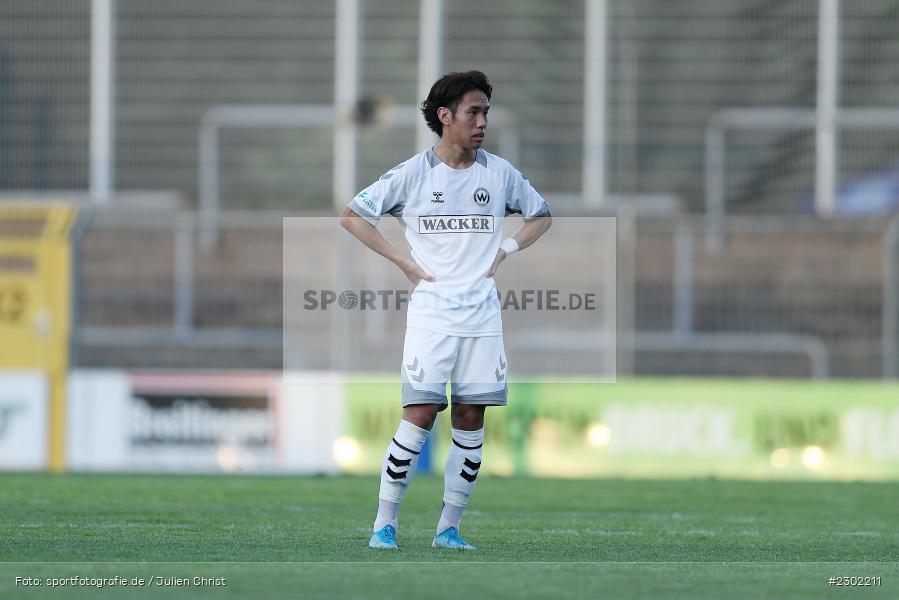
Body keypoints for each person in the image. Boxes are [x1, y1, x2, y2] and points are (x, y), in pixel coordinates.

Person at [340, 70, 551, 551]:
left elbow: (541, 215)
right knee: (419, 414)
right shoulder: (413, 173)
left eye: (485, 113)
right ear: (445, 116)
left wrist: (506, 251)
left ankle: (448, 529)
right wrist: (403, 263)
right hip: (432, 315)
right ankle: (383, 525)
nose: (482, 122)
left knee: (471, 419)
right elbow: (353, 216)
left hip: (482, 318)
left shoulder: (499, 174)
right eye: (473, 112)